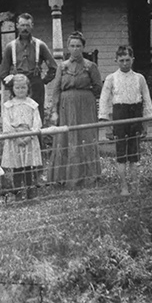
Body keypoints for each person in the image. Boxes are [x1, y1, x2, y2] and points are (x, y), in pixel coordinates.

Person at [48, 31, 102, 188]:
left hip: (85, 106)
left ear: (83, 47)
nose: (75, 49)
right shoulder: (62, 67)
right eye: (72, 46)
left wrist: (86, 97)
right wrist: (54, 110)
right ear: (68, 47)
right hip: (66, 107)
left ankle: (88, 177)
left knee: (85, 136)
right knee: (66, 138)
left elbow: (98, 87)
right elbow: (56, 89)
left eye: (78, 46)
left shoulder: (91, 66)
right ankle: (65, 178)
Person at [98, 45, 152, 196]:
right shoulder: (111, 79)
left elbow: (147, 100)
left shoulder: (139, 78)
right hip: (119, 115)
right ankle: (124, 187)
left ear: (132, 60)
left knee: (134, 154)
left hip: (135, 115)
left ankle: (135, 186)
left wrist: (146, 122)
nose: (124, 63)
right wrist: (107, 125)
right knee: (121, 154)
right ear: (116, 60)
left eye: (127, 60)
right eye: (121, 60)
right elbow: (104, 101)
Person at [0, 13, 57, 123]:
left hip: (35, 83)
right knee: (17, 117)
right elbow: (3, 72)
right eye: (22, 25)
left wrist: (42, 81)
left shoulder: (40, 45)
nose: (24, 28)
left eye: (27, 25)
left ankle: (37, 140)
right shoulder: (10, 47)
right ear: (17, 25)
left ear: (32, 26)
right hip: (18, 85)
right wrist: (12, 84)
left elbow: (53, 67)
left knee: (36, 117)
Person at [1, 74, 43, 200]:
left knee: (28, 167)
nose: (20, 90)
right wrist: (16, 137)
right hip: (15, 139)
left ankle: (31, 193)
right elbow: (6, 123)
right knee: (17, 167)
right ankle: (18, 194)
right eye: (17, 88)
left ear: (28, 88)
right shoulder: (8, 105)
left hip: (29, 137)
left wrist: (29, 136)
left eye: (23, 88)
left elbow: (37, 122)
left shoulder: (32, 104)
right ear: (13, 89)